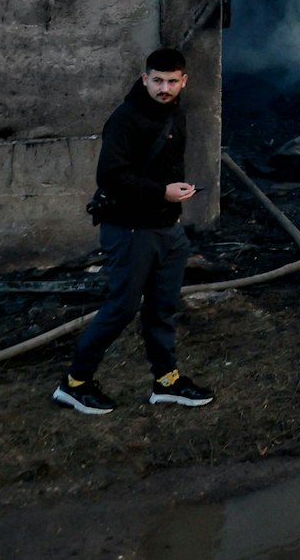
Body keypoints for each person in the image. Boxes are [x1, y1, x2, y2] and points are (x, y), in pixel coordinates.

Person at [52, 48, 215, 415]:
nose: (164, 88)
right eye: (157, 80)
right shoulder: (125, 119)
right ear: (145, 79)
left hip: (166, 229)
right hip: (128, 230)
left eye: (173, 81)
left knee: (162, 307)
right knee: (121, 309)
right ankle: (74, 384)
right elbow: (109, 177)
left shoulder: (176, 114)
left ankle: (167, 382)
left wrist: (174, 200)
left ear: (183, 81)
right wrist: (162, 192)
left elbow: (168, 167)